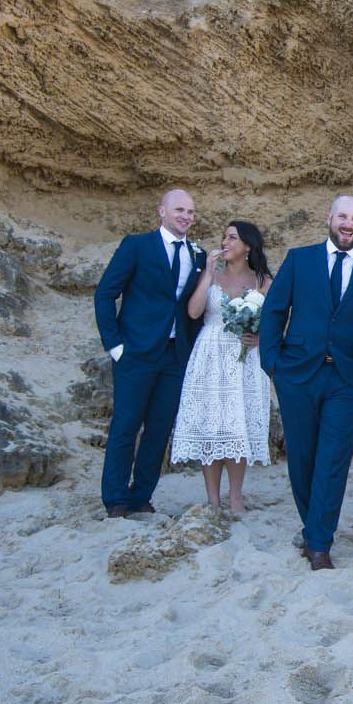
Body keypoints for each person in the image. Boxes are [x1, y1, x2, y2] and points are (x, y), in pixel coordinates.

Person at [259, 196, 353, 571]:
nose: (348, 224)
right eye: (342, 217)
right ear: (329, 219)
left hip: (350, 380)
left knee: (333, 461)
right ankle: (312, 527)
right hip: (297, 373)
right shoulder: (298, 259)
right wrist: (271, 363)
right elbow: (274, 311)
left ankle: (319, 542)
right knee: (302, 457)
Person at [93, 189, 207, 517]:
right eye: (179, 209)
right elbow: (105, 294)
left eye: (191, 211)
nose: (186, 215)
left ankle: (141, 496)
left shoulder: (197, 256)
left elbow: (191, 308)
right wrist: (115, 345)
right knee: (126, 426)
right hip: (135, 353)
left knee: (158, 430)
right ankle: (115, 500)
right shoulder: (136, 246)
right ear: (162, 211)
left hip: (174, 356)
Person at [170, 221, 274, 514]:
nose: (225, 242)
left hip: (245, 357)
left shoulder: (263, 281)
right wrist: (207, 273)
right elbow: (193, 311)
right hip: (210, 355)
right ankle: (213, 499)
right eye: (223, 237)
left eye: (232, 237)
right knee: (210, 426)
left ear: (248, 246)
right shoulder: (212, 275)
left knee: (236, 425)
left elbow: (278, 321)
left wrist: (260, 336)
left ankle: (236, 497)